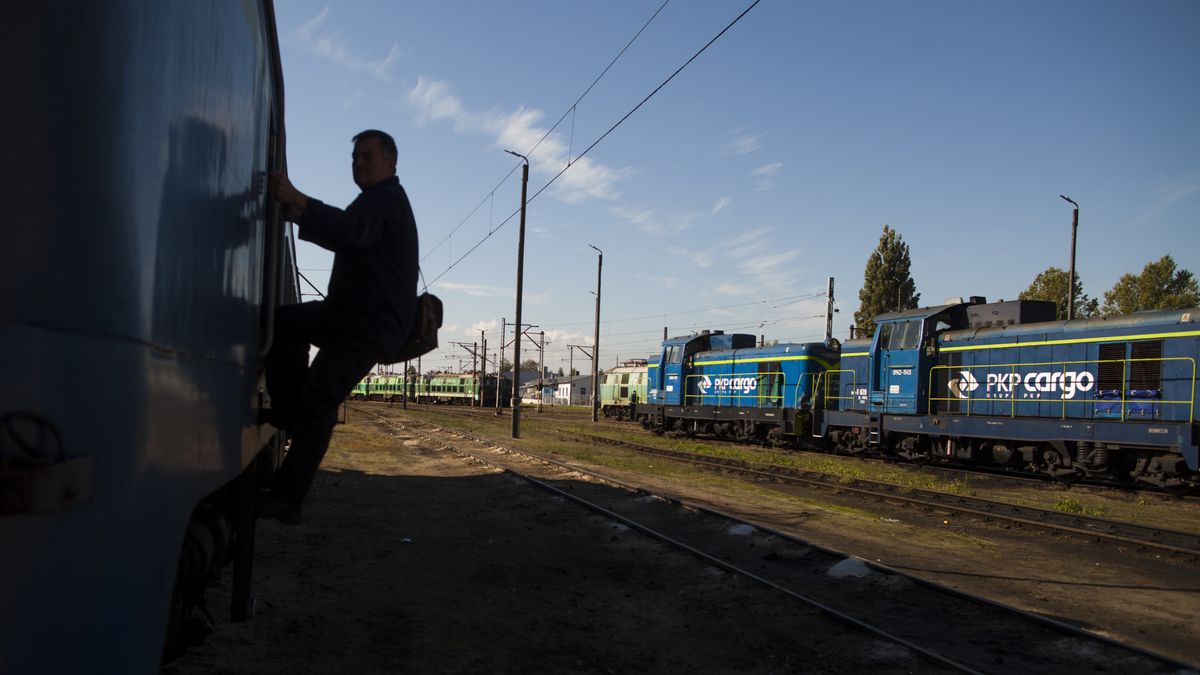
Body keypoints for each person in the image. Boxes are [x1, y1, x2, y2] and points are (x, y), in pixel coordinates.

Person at [263, 129, 419, 517]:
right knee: (286, 322)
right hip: (348, 317)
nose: (358, 163)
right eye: (354, 158)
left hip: (367, 326)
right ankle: (289, 414)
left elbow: (353, 232)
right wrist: (300, 214)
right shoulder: (375, 201)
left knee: (320, 397)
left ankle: (286, 499)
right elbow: (352, 235)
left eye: (367, 156)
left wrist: (299, 200)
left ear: (390, 163)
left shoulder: (385, 200)